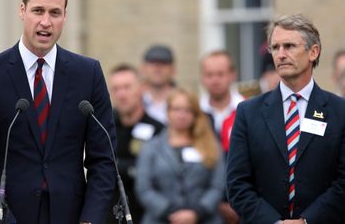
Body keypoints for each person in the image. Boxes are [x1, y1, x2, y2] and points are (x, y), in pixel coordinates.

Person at [0, 0, 116, 224]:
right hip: (7, 215)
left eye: (55, 13)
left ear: (65, 16)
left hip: (71, 215)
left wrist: (90, 220)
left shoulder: (88, 74)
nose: (46, 22)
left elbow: (104, 160)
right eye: (38, 11)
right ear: (22, 10)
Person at [227, 14, 345, 223]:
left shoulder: (340, 111)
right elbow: (237, 184)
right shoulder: (248, 112)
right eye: (275, 47)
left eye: (289, 46)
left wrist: (307, 220)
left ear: (313, 51)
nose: (280, 55)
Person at [135, 88, 225, 224]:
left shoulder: (211, 145)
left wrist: (197, 212)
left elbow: (218, 186)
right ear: (167, 112)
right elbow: (144, 188)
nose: (181, 115)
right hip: (160, 219)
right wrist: (169, 211)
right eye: (176, 109)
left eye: (187, 110)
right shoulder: (151, 147)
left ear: (195, 114)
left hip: (205, 219)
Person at [106, 64, 164, 224]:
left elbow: (158, 174)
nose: (121, 94)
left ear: (142, 88)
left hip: (147, 215)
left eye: (127, 87)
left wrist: (119, 166)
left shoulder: (158, 129)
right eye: (116, 89)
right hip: (110, 215)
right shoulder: (102, 128)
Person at [199, 50, 241, 224]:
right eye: (209, 75)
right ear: (202, 77)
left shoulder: (247, 110)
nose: (215, 80)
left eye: (220, 74)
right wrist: (215, 203)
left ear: (232, 75)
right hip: (204, 209)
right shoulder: (193, 115)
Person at [141, 44, 176, 124]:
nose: (157, 69)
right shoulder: (135, 102)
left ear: (173, 70)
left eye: (163, 63)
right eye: (152, 63)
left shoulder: (184, 103)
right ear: (143, 68)